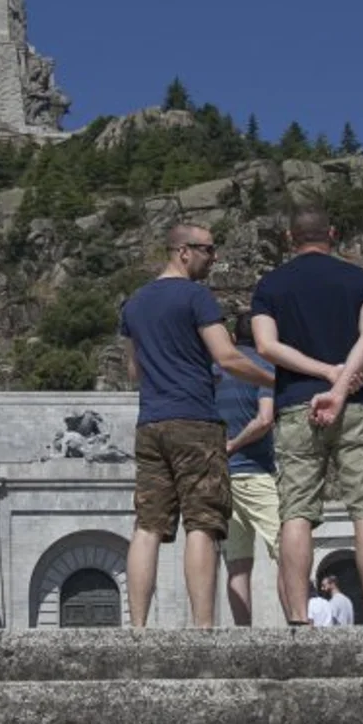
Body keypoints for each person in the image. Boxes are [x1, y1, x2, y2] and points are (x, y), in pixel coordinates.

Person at [120, 224, 273, 628]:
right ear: (183, 252)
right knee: (202, 523)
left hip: (150, 422)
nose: (214, 257)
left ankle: (137, 628)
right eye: (208, 249)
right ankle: (203, 627)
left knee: (148, 525)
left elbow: (135, 370)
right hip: (195, 422)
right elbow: (227, 357)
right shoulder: (196, 296)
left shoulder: (133, 304)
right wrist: (279, 380)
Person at [250, 207, 363, 626]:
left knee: (296, 513)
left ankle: (296, 616)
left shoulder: (271, 285)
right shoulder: (362, 280)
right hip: (356, 405)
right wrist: (343, 382)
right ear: (332, 233)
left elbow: (266, 346)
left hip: (296, 404)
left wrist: (324, 375)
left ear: (291, 239)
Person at [215, 316, 283, 626]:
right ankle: (299, 623)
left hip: (222, 478)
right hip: (255, 473)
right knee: (286, 552)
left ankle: (244, 633)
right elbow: (265, 419)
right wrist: (235, 444)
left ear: (231, 336)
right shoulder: (264, 368)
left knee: (237, 566)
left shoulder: (215, 371)